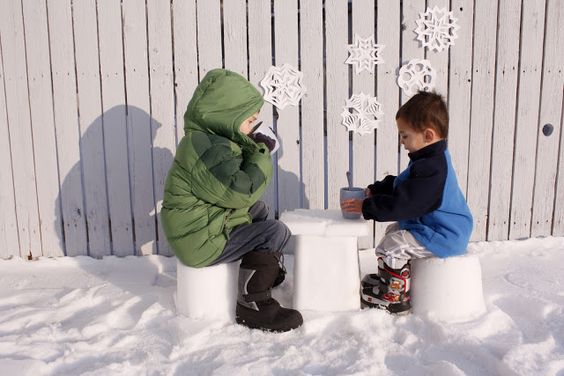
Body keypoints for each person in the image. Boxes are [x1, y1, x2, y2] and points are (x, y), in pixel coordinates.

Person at [161, 68, 303, 332]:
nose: (252, 127)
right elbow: (240, 192)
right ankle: (253, 305)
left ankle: (266, 270)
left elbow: (236, 190)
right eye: (249, 121)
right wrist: (261, 152)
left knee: (259, 210)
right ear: (227, 117)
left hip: (205, 226)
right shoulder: (209, 149)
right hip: (200, 242)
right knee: (274, 231)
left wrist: (250, 147)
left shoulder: (209, 142)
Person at [341, 91, 473, 314]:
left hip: (444, 234)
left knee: (391, 246)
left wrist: (367, 207)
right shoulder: (428, 160)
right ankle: (391, 280)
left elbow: (407, 204)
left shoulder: (433, 168)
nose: (402, 142)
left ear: (428, 135)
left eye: (405, 136)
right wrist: (376, 190)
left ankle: (394, 297)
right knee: (394, 231)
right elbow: (404, 185)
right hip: (433, 226)